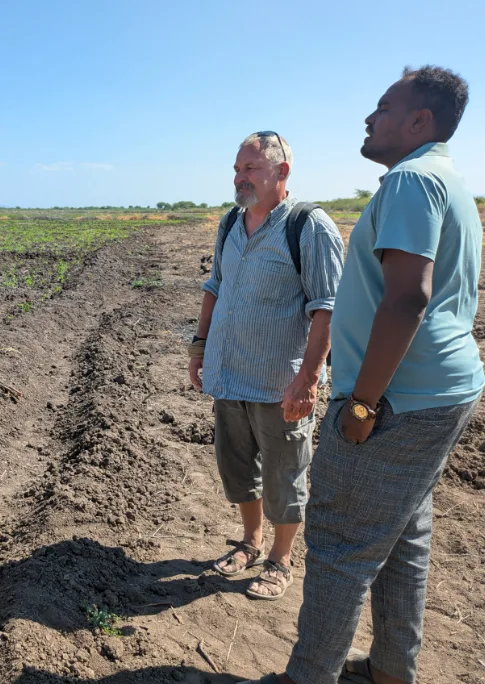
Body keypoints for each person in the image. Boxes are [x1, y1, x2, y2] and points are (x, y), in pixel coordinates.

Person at [242, 66, 484, 684]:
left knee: (340, 547)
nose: (369, 119)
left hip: (397, 401)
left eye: (382, 107)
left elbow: (408, 298)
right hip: (437, 394)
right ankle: (390, 670)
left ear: (419, 121)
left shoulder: (410, 181)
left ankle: (309, 676)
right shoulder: (448, 179)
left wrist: (362, 404)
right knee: (403, 536)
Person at [188, 132, 344, 600]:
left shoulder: (308, 226)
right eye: (237, 169)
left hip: (281, 382)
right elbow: (214, 286)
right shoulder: (231, 223)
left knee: (285, 472)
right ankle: (251, 541)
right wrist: (199, 349)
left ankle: (280, 557)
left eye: (250, 169)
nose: (240, 178)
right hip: (229, 372)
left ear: (282, 172)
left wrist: (308, 378)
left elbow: (327, 307)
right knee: (236, 468)